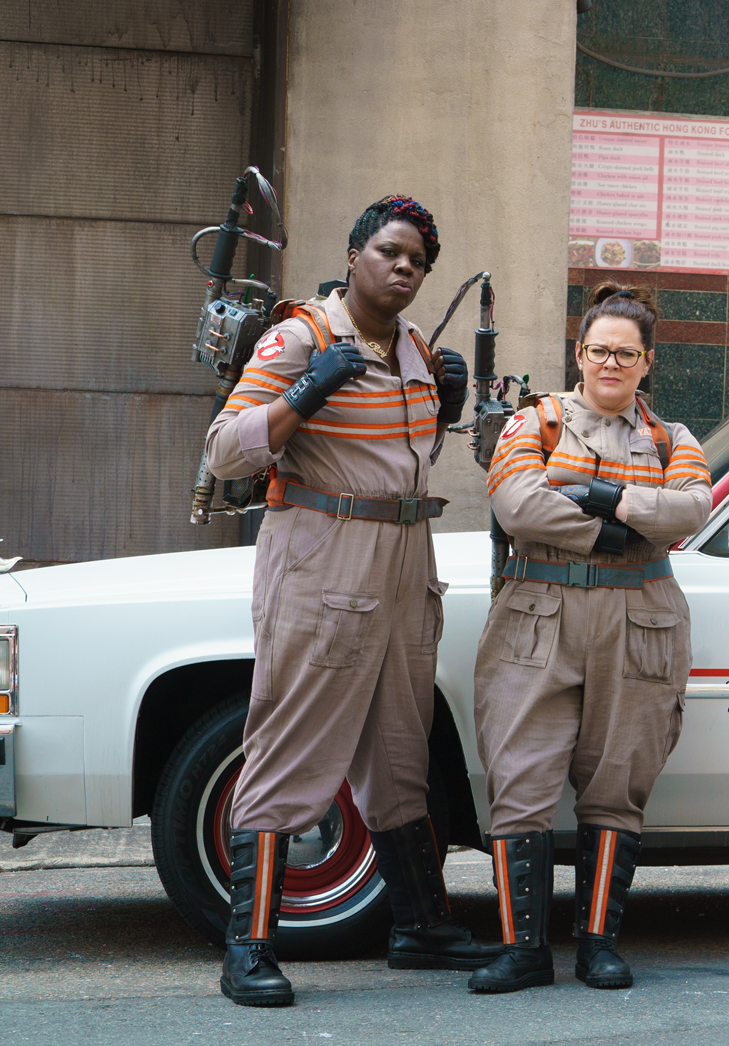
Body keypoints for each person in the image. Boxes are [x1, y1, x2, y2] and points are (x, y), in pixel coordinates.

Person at [203, 195, 489, 1006]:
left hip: (405, 557)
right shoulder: (303, 337)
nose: (404, 268)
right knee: (291, 742)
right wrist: (303, 395)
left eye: (418, 262)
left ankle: (419, 926)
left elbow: (403, 454)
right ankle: (248, 948)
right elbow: (226, 447)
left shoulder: (411, 346)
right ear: (357, 252)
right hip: (324, 559)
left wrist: (448, 407)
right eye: (391, 252)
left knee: (401, 748)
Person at [468, 282, 712, 995]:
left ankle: (599, 944)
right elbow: (516, 502)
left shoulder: (673, 438)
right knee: (520, 778)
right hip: (538, 617)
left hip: (639, 621)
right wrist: (620, 531)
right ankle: (522, 951)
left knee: (617, 785)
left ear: (646, 363)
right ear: (578, 354)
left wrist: (604, 497)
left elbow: (693, 507)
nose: (611, 363)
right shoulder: (535, 424)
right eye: (599, 350)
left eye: (625, 354)